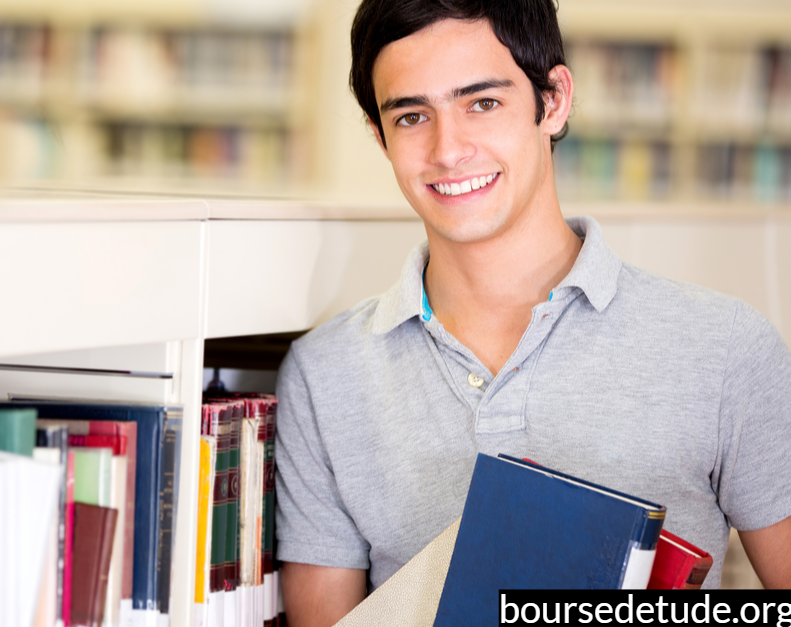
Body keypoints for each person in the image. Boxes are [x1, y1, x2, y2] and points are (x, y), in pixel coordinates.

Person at [273, 0, 791, 624]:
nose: (448, 149)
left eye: (482, 103)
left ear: (554, 100)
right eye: (412, 116)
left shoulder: (728, 348)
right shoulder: (322, 374)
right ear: (379, 135)